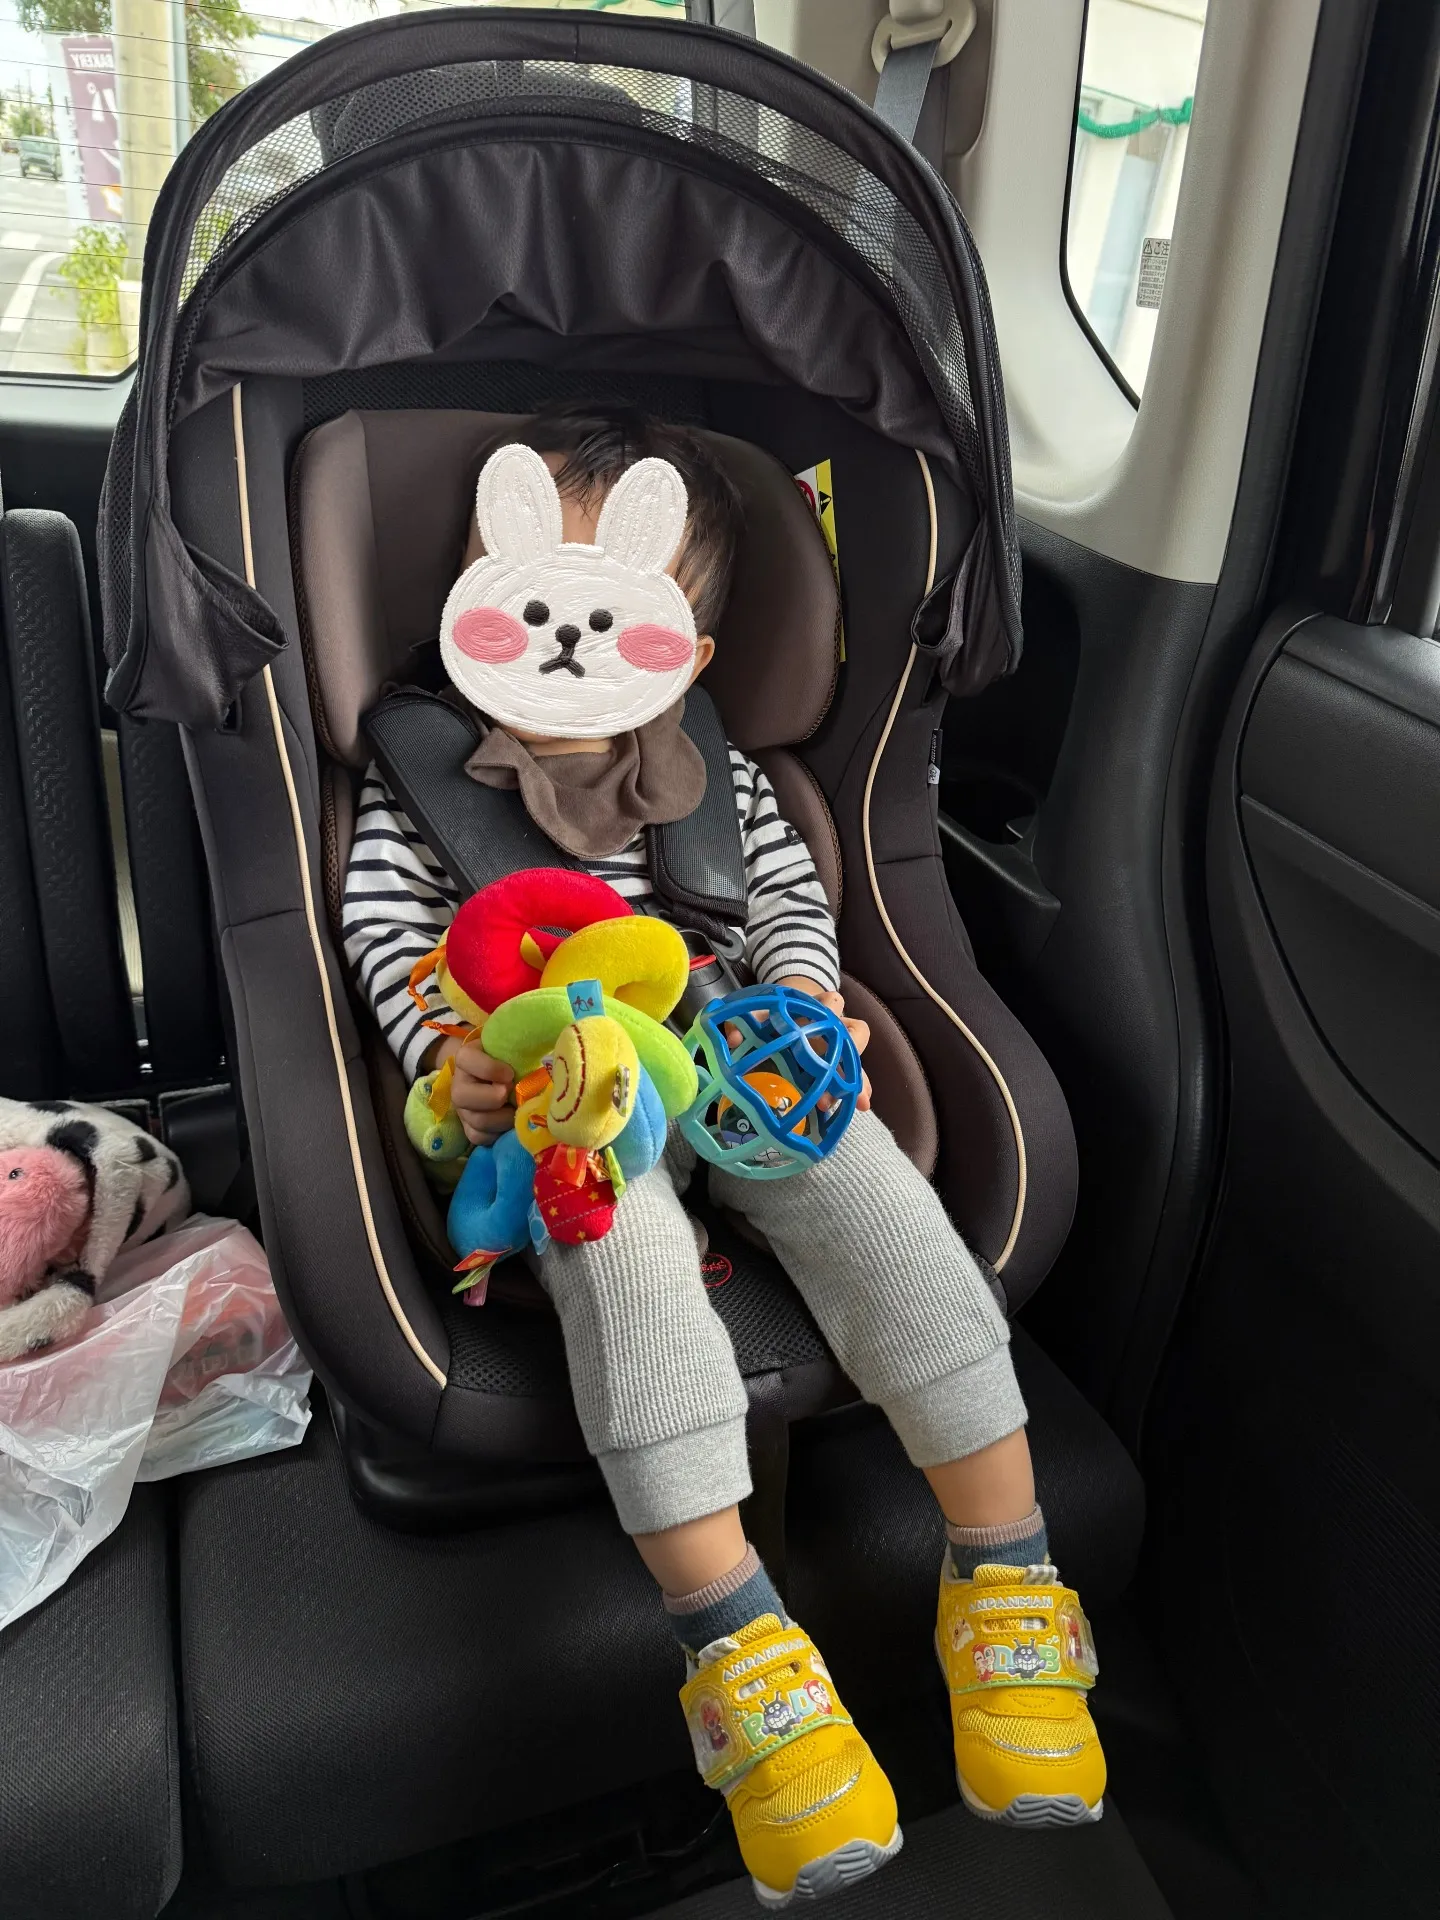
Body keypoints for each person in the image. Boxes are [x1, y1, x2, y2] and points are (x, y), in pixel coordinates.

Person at [342, 404, 1105, 1906]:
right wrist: (450, 1054)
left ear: (686, 654)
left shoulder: (721, 770)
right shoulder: (420, 777)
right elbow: (382, 930)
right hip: (563, 1075)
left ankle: (1005, 1569)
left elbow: (790, 905)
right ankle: (738, 1644)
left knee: (877, 1200)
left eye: (616, 604)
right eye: (531, 587)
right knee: (616, 1251)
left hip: (729, 1043)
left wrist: (806, 1002)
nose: (566, 638)